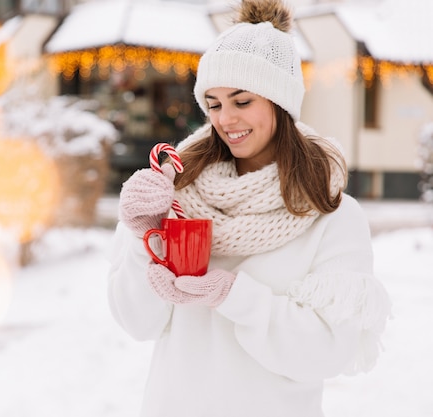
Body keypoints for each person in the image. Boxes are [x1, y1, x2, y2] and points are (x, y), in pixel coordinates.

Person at [107, 0, 392, 416]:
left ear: (280, 103)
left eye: (242, 101)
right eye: (215, 103)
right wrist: (142, 235)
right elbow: (136, 322)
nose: (225, 119)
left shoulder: (332, 216)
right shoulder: (172, 193)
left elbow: (327, 350)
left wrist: (235, 295)